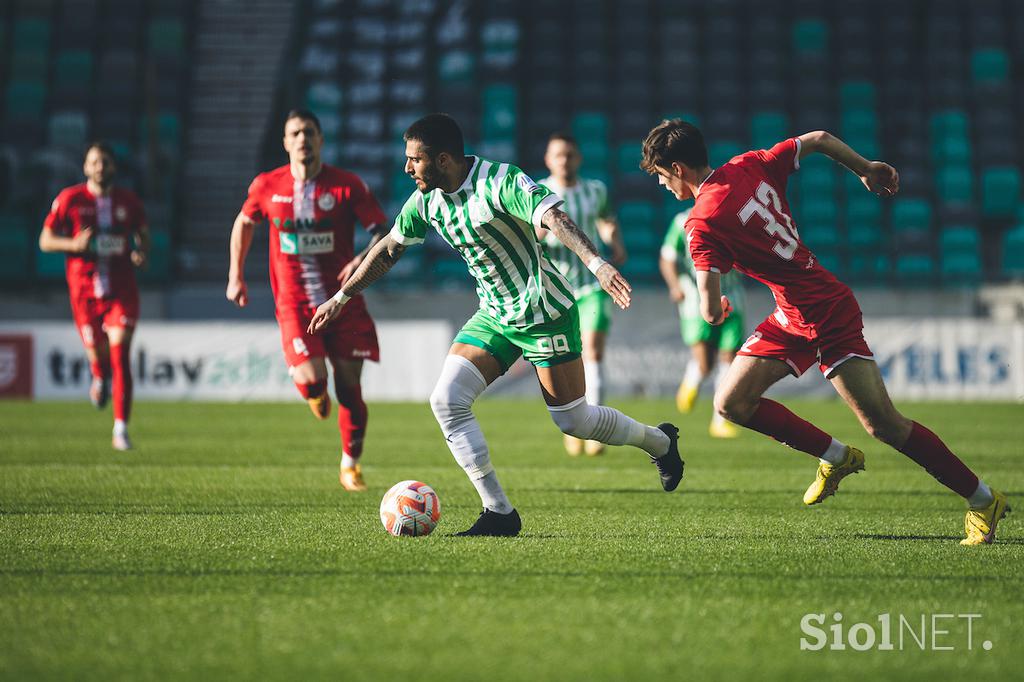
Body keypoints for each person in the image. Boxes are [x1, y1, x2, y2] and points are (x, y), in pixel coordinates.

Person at [309, 113, 683, 536]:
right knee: (447, 401)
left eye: (414, 160)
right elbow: (389, 249)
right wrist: (342, 297)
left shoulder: (501, 181)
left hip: (544, 312)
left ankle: (661, 443)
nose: (407, 168)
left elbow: (555, 219)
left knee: (573, 421)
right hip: (494, 315)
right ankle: (499, 512)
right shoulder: (425, 201)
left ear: (444, 160)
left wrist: (596, 265)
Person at [641, 119, 1008, 545]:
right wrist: (866, 168)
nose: (664, 186)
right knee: (732, 402)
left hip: (826, 314)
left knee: (886, 426)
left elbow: (707, 307)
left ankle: (983, 500)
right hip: (792, 312)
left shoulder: (701, 222)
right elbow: (817, 139)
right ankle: (837, 457)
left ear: (679, 168)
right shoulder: (750, 163)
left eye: (663, 176)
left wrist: (715, 310)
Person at [227, 109, 388, 491]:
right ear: (285, 142)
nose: (302, 139)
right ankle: (312, 391)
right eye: (295, 133)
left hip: (343, 300)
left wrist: (361, 258)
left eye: (309, 132)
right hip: (295, 304)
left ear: (320, 140)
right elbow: (244, 223)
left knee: (349, 387)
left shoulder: (347, 185)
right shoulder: (267, 185)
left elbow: (381, 230)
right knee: (316, 382)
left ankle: (350, 465)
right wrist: (236, 275)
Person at [40, 141, 149, 451]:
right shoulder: (70, 200)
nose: (100, 167)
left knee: (121, 356)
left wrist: (142, 253)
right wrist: (73, 246)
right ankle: (98, 376)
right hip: (85, 293)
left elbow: (143, 236)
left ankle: (121, 429)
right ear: (86, 168)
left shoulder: (129, 202)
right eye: (94, 162)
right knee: (99, 356)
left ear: (114, 167)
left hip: (122, 290)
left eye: (106, 162)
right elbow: (45, 240)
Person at [537, 132, 627, 456]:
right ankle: (575, 422)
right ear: (548, 159)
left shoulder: (595, 190)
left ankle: (595, 430)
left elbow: (606, 219)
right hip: (555, 289)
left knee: (594, 351)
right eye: (558, 155)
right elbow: (531, 232)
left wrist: (614, 241)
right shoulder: (539, 192)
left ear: (578, 158)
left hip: (592, 285)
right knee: (566, 358)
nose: (564, 160)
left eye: (569, 155)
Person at [659, 207, 744, 438]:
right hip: (697, 301)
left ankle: (720, 420)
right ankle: (692, 379)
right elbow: (667, 259)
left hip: (734, 296)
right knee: (706, 364)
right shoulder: (681, 221)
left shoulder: (734, 216)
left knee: (730, 359)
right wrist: (675, 285)